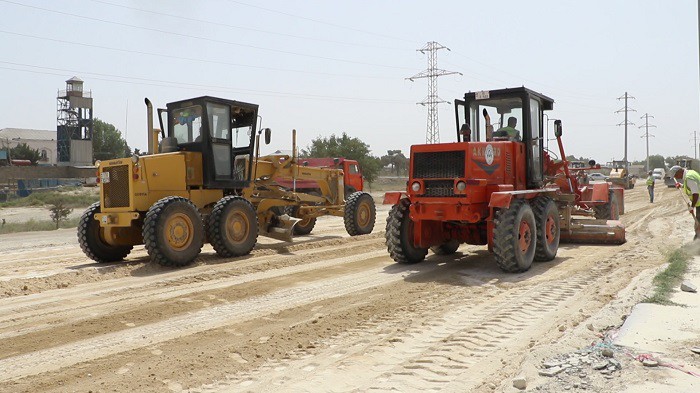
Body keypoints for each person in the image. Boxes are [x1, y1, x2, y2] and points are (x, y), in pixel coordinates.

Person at [670, 165, 700, 239]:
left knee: (698, 227)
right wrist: (682, 185)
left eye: (676, 175)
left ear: (679, 171)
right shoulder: (691, 173)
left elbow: (695, 193)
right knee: (698, 225)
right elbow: (693, 186)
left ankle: (696, 246)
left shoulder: (689, 178)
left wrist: (692, 207)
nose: (676, 177)